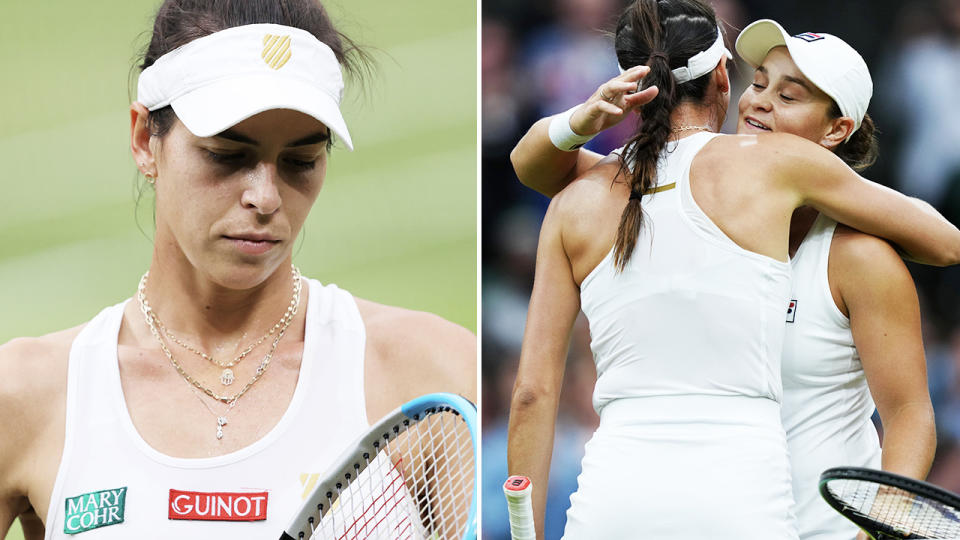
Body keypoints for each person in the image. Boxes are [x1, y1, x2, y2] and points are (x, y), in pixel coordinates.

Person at [0, 1, 476, 538]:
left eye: (301, 161)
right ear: (143, 141)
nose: (265, 197)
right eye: (226, 155)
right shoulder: (23, 394)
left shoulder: (437, 375)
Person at [505, 1, 958, 538]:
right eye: (758, 83)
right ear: (724, 79)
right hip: (740, 513)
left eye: (788, 96)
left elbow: (910, 414)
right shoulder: (676, 183)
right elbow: (537, 166)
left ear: (837, 131)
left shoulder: (860, 258)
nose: (759, 104)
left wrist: (875, 528)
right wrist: (581, 118)